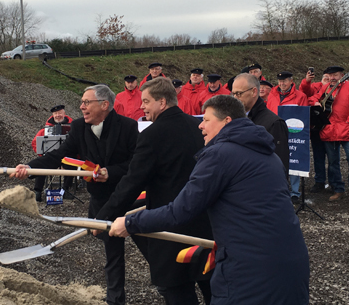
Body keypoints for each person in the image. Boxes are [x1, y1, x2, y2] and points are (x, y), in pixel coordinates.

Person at [109, 95, 309, 305]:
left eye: (206, 120)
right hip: (291, 261)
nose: (200, 126)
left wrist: (130, 223)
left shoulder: (219, 154)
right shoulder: (269, 155)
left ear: (226, 121)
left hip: (250, 268)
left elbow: (181, 210)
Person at [12, 84, 146, 305]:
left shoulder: (129, 127)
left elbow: (137, 163)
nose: (81, 106)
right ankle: (116, 300)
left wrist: (110, 172)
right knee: (112, 251)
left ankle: (169, 285)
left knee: (148, 243)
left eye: (86, 102)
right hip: (102, 199)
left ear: (104, 105)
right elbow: (60, 155)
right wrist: (29, 167)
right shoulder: (78, 127)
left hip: (130, 197)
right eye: (82, 102)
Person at [94, 78, 213, 304]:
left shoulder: (152, 135)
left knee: (176, 289)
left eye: (146, 101)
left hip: (171, 226)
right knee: (211, 286)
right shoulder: (197, 128)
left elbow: (132, 181)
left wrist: (104, 216)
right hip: (204, 222)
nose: (142, 107)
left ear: (162, 102)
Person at [308, 66, 349, 204]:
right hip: (329, 130)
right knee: (333, 162)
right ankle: (338, 189)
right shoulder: (326, 87)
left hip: (347, 130)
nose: (332, 77)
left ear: (342, 75)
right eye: (330, 75)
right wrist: (315, 102)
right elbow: (312, 99)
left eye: (335, 75)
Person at [231, 74, 290, 181]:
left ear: (254, 92)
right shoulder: (234, 120)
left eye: (239, 93)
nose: (235, 98)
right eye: (233, 94)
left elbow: (280, 166)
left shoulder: (274, 123)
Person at [267, 72, 309, 202]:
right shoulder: (272, 94)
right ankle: (278, 188)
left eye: (284, 81)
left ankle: (295, 191)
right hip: (275, 130)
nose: (282, 84)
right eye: (280, 81)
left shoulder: (301, 96)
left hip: (293, 131)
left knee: (294, 159)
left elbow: (304, 114)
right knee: (275, 159)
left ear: (291, 81)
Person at [29, 105, 75, 202]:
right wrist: (42, 154)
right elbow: (35, 143)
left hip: (67, 158)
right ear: (52, 115)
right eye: (55, 113)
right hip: (51, 157)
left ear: (64, 114)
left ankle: (66, 189)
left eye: (60, 113)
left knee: (72, 165)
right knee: (42, 164)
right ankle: (37, 191)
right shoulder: (44, 130)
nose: (58, 115)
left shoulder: (73, 128)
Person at [300, 71, 330, 194]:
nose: (327, 80)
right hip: (317, 127)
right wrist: (307, 80)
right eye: (325, 78)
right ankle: (319, 181)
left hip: (331, 128)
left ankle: (334, 182)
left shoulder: (335, 89)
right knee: (318, 156)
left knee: (333, 158)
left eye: (330, 78)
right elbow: (305, 92)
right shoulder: (315, 87)